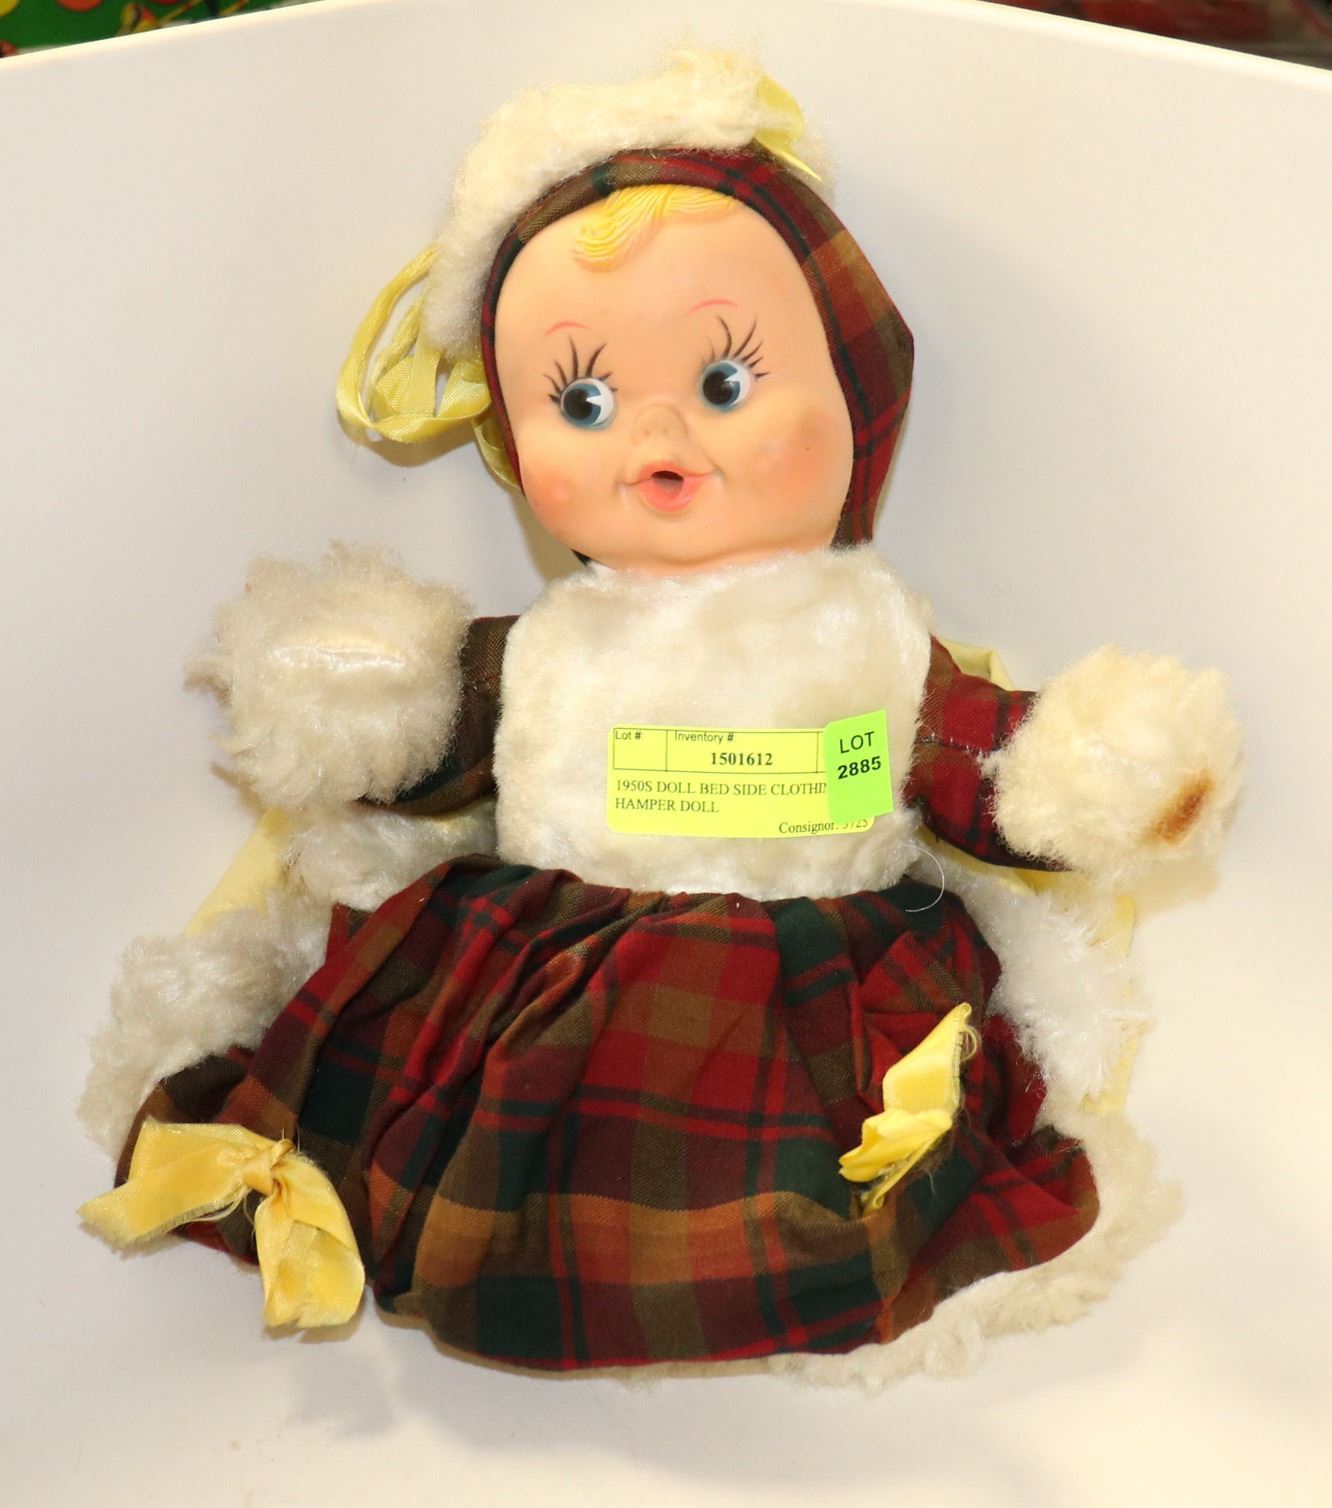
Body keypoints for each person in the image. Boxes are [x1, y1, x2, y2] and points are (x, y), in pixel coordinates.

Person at [83, 50, 1240, 1376]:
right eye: (583, 401)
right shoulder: (558, 641)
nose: (656, 442)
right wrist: (355, 691)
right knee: (475, 1149)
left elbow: (987, 767)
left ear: (857, 390)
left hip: (812, 987)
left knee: (816, 1180)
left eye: (726, 383)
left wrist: (1098, 768)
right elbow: (433, 740)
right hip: (550, 971)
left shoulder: (865, 637)